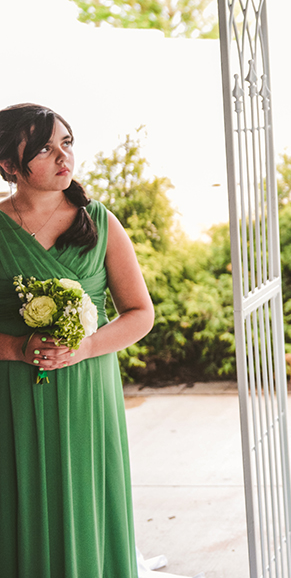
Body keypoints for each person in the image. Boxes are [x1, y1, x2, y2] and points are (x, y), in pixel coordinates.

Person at [0, 103, 155, 577]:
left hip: (89, 388)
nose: (63, 157)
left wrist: (86, 347)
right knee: (19, 499)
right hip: (12, 393)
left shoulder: (101, 222)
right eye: (45, 149)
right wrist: (15, 348)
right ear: (8, 166)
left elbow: (140, 313)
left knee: (88, 497)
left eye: (66, 143)